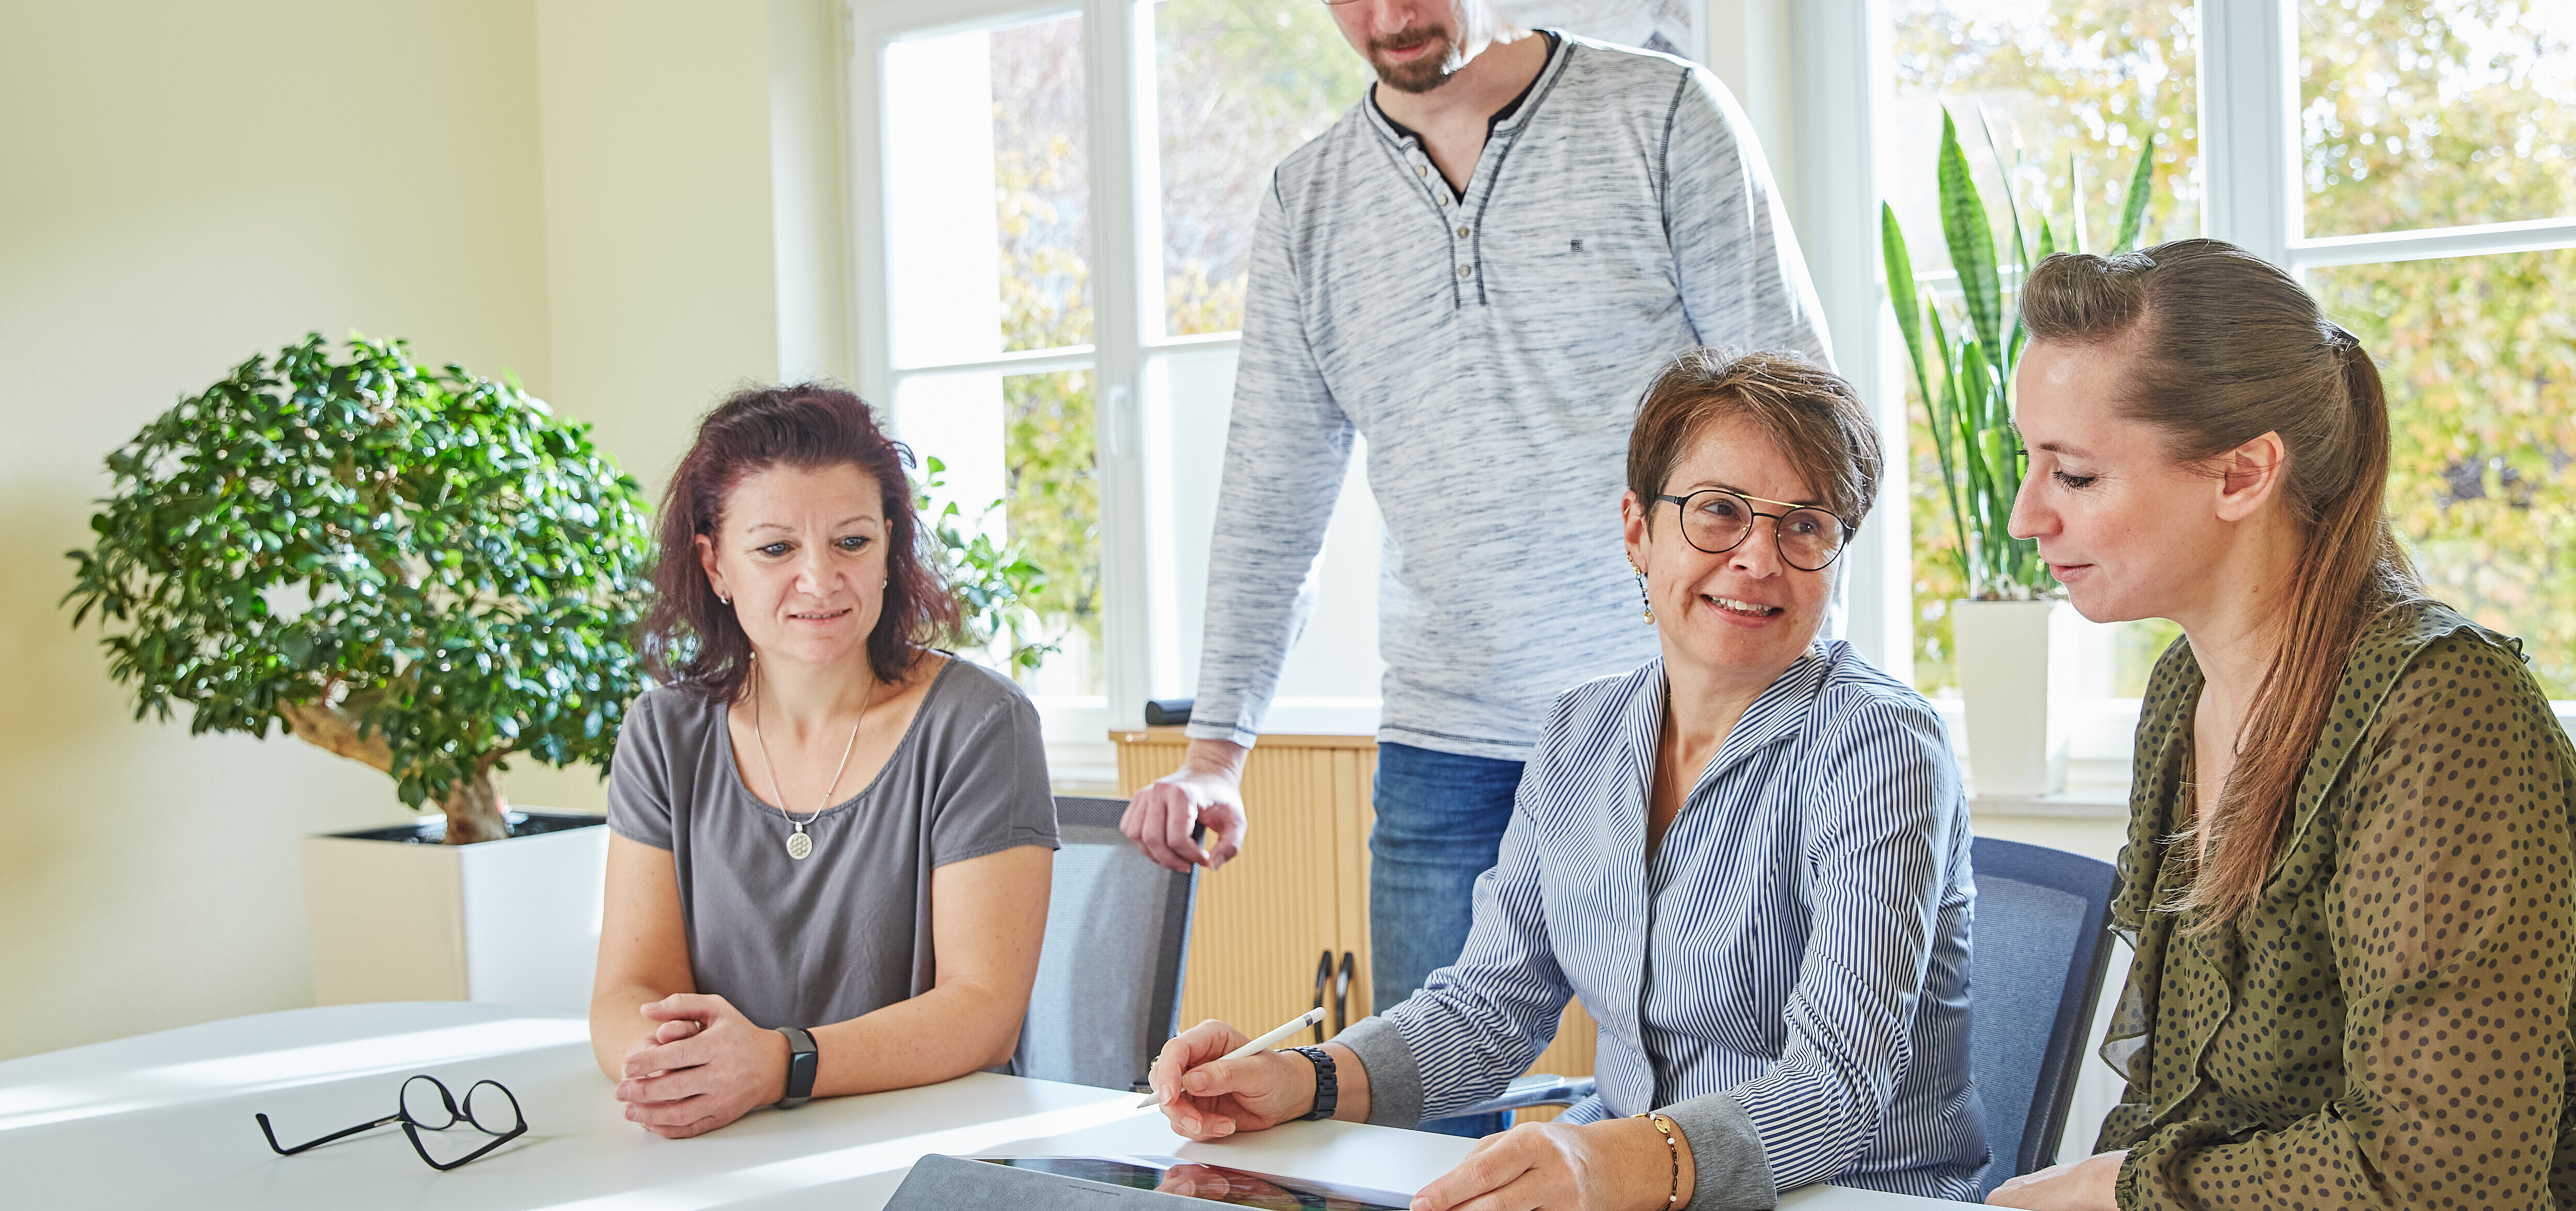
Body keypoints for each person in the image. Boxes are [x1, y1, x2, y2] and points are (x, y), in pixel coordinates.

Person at [1985, 241, 2576, 1210]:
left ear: (2243, 473)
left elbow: (2445, 1178)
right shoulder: (2182, 693)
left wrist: (2127, 1190)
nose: (2024, 516)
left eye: (2074, 476)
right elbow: (2181, 1103)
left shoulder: (2442, 708)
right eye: (2030, 465)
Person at [1118, 0, 1832, 1053]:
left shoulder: (1663, 113)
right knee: (1420, 1110)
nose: (1392, 15)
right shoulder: (1308, 202)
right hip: (1446, 745)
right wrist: (1217, 752)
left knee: (1717, 1106)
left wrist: (1783, 696)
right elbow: (1274, 489)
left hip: (1686, 713)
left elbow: (1799, 418)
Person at [1146, 350, 1989, 1207]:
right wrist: (1304, 1077)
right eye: (1719, 511)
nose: (1759, 557)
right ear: (1638, 530)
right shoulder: (1579, 733)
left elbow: (1834, 1091)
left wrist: (1605, 1162)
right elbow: (1487, 1007)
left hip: (1847, 1195)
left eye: (1804, 524)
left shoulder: (1882, 744)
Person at [589, 385, 1059, 1139]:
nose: (820, 579)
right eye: (776, 548)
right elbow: (628, 991)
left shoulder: (981, 725)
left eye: (851, 541)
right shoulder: (662, 732)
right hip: (724, 1147)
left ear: (888, 544)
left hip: (929, 1152)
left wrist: (777, 1064)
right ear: (715, 563)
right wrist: (680, 1070)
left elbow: (983, 1013)